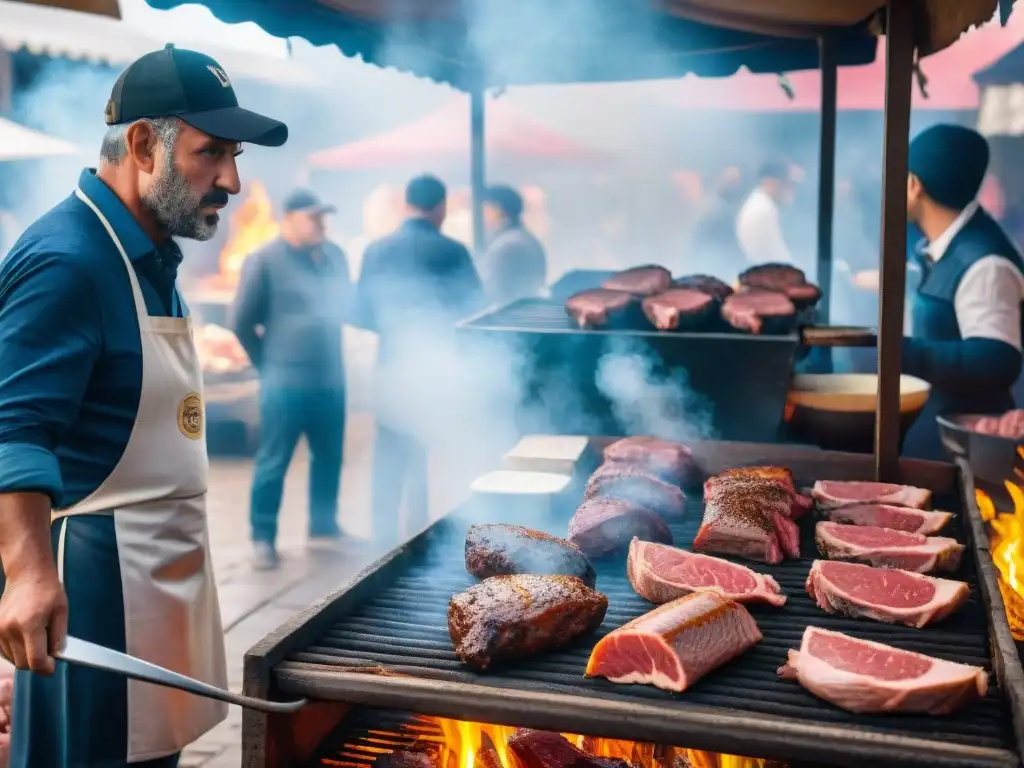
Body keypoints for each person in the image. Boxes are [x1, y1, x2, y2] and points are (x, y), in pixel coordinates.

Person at [0, 44, 287, 767]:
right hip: (96, 587)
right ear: (140, 144)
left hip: (160, 585)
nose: (231, 180)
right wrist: (29, 574)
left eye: (235, 155)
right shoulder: (70, 259)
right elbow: (13, 425)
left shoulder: (149, 256)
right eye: (210, 153)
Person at [355, 175, 484, 544]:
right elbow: (473, 311)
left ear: (405, 205)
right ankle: (417, 533)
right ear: (441, 207)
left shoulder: (376, 250)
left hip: (391, 366)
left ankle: (381, 538)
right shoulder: (453, 252)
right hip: (432, 369)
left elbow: (360, 311)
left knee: (389, 454)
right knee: (421, 447)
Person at [231, 189, 352, 570]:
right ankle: (263, 537)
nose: (321, 225)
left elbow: (347, 305)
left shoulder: (335, 257)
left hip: (330, 377)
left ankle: (324, 526)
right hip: (284, 380)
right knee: (274, 459)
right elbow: (241, 322)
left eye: (323, 218)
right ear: (288, 219)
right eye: (313, 218)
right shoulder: (264, 260)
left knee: (329, 456)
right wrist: (267, 364)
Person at [899, 124, 1024, 460]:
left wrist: (896, 353)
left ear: (913, 186)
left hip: (967, 452)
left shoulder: (985, 262)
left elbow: (995, 359)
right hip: (937, 436)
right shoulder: (948, 247)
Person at [478, 184, 547, 306]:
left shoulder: (509, 246)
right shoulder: (520, 238)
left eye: (485, 209)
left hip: (508, 315)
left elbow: (493, 291)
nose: (482, 215)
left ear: (499, 210)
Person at [735, 160, 799, 267]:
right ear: (770, 182)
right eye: (785, 183)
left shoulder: (762, 204)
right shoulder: (762, 210)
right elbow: (776, 256)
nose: (790, 189)